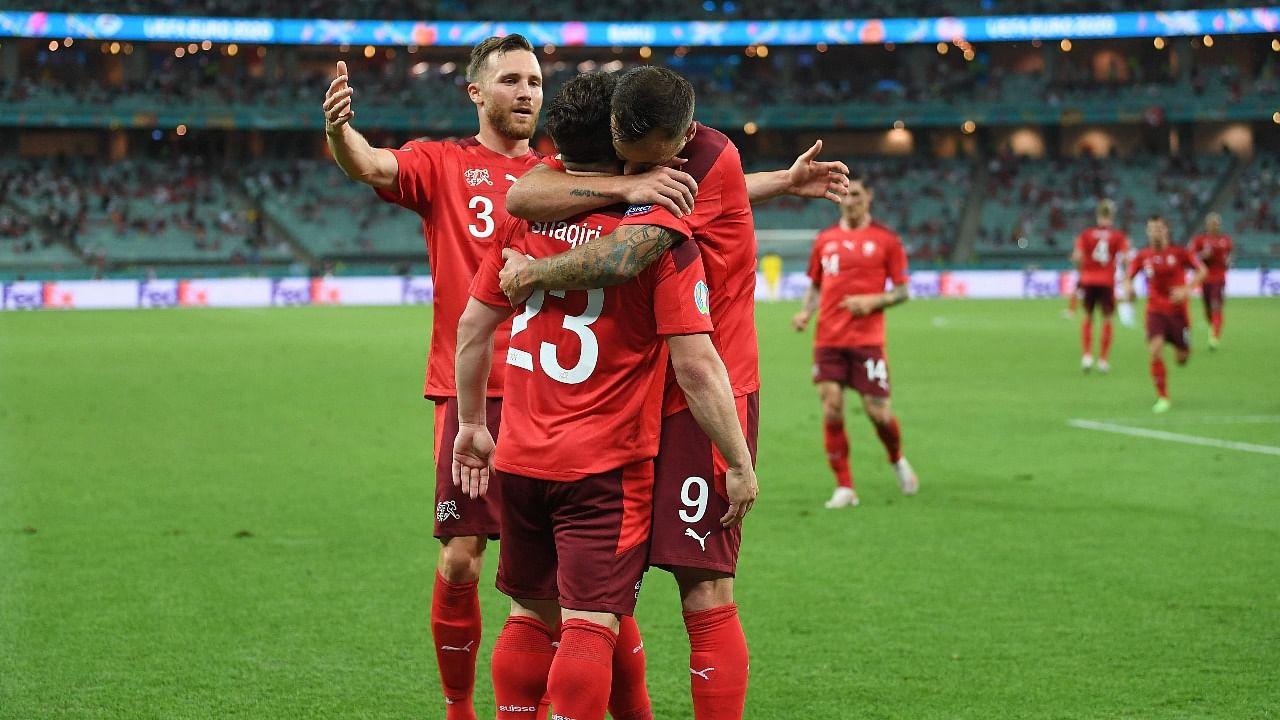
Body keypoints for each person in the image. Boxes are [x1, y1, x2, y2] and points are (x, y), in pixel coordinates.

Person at [322, 36, 675, 719]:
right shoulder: (442, 163)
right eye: (511, 79)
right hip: (474, 388)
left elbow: (662, 189)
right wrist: (340, 131)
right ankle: (461, 707)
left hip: (558, 393)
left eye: (536, 81)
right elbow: (367, 163)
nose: (527, 92)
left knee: (579, 579)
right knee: (462, 558)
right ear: (477, 93)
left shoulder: (564, 172)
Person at [498, 65, 844, 720]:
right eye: (625, 160)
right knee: (599, 586)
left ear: (679, 141)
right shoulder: (634, 153)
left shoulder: (702, 162)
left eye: (647, 164)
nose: (633, 174)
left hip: (707, 391)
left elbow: (625, 255)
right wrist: (783, 183)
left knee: (703, 587)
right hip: (634, 392)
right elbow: (525, 195)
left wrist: (531, 274)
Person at [451, 70, 757, 720]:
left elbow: (480, 320)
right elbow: (691, 357)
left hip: (530, 445)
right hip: (617, 444)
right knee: (602, 612)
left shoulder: (692, 169)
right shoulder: (656, 223)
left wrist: (473, 421)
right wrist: (742, 461)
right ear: (618, 139)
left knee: (549, 609)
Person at [791, 175, 918, 509]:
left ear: (869, 196)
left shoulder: (886, 240)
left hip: (867, 341)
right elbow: (816, 285)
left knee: (878, 413)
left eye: (856, 195)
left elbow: (903, 291)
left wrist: (872, 302)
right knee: (832, 408)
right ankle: (844, 486)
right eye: (844, 196)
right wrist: (806, 312)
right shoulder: (825, 239)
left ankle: (896, 458)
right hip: (829, 339)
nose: (850, 202)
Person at [1124, 215, 1207, 413]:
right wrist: (1129, 289)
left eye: (1159, 228)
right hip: (1155, 311)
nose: (1155, 232)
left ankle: (1181, 348)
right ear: (1147, 232)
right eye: (1152, 228)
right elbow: (1127, 278)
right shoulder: (1143, 256)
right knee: (1155, 350)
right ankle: (1163, 397)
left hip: (1178, 313)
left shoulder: (1180, 253)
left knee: (1182, 358)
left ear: (1166, 230)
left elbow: (1202, 271)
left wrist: (1186, 289)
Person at [1070, 199, 1130, 374]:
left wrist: (1082, 271)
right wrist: (1125, 277)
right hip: (1107, 281)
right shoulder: (1118, 236)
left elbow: (1077, 256)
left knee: (1088, 316)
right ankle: (1103, 360)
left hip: (1089, 280)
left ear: (1097, 215)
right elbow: (1126, 258)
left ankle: (1087, 356)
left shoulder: (1086, 234)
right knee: (1107, 319)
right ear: (1112, 216)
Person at [1188, 212, 1233, 350]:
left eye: (1216, 223)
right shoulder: (1199, 240)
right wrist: (1202, 255)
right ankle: (1214, 324)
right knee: (1208, 309)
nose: (1214, 226)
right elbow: (1190, 257)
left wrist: (1228, 262)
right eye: (1211, 223)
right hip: (1204, 278)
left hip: (1219, 277)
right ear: (1207, 225)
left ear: (1219, 225)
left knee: (1215, 305)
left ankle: (1215, 336)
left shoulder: (1226, 240)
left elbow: (1228, 257)